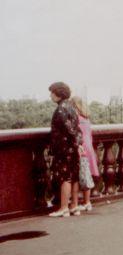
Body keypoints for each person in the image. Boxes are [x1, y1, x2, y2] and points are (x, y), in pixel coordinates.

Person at [48, 82, 83, 217]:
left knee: (65, 178)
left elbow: (69, 129)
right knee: (74, 177)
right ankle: (74, 206)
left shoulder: (61, 109)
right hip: (73, 148)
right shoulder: (72, 107)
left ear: (58, 94)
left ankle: (64, 208)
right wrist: (78, 144)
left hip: (64, 148)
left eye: (52, 92)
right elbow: (77, 130)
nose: (50, 95)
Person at [71, 96, 99, 213]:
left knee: (76, 177)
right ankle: (87, 202)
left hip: (81, 148)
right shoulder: (86, 119)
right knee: (86, 175)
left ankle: (75, 203)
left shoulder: (76, 119)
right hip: (89, 148)